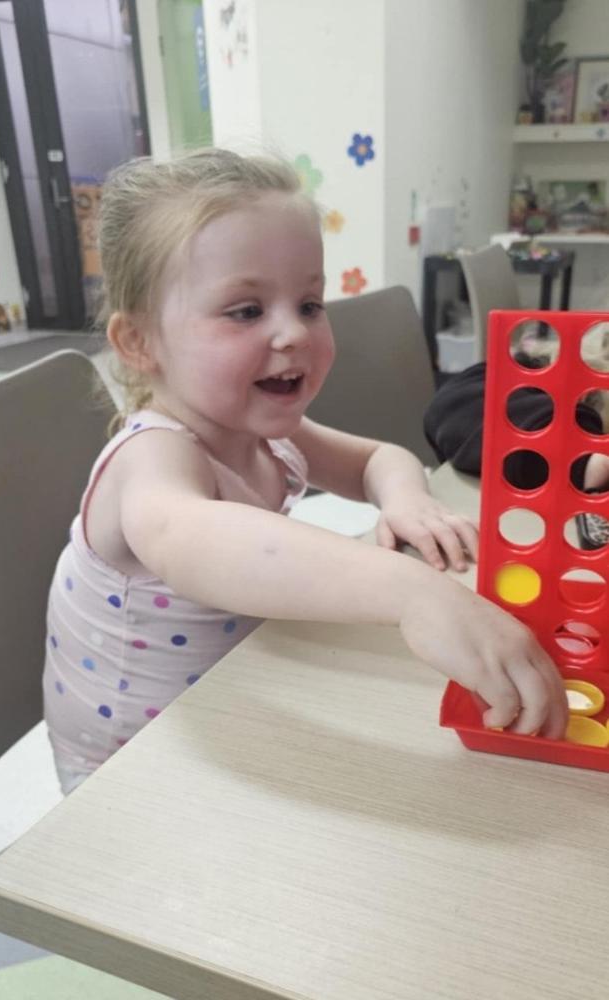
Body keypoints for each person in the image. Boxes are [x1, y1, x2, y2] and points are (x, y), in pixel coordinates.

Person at [43, 149, 568, 794]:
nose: (293, 332)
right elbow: (191, 539)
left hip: (236, 707)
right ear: (139, 343)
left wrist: (404, 500)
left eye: (311, 304)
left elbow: (380, 457)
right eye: (246, 311)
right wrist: (411, 592)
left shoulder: (269, 434)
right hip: (127, 775)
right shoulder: (151, 457)